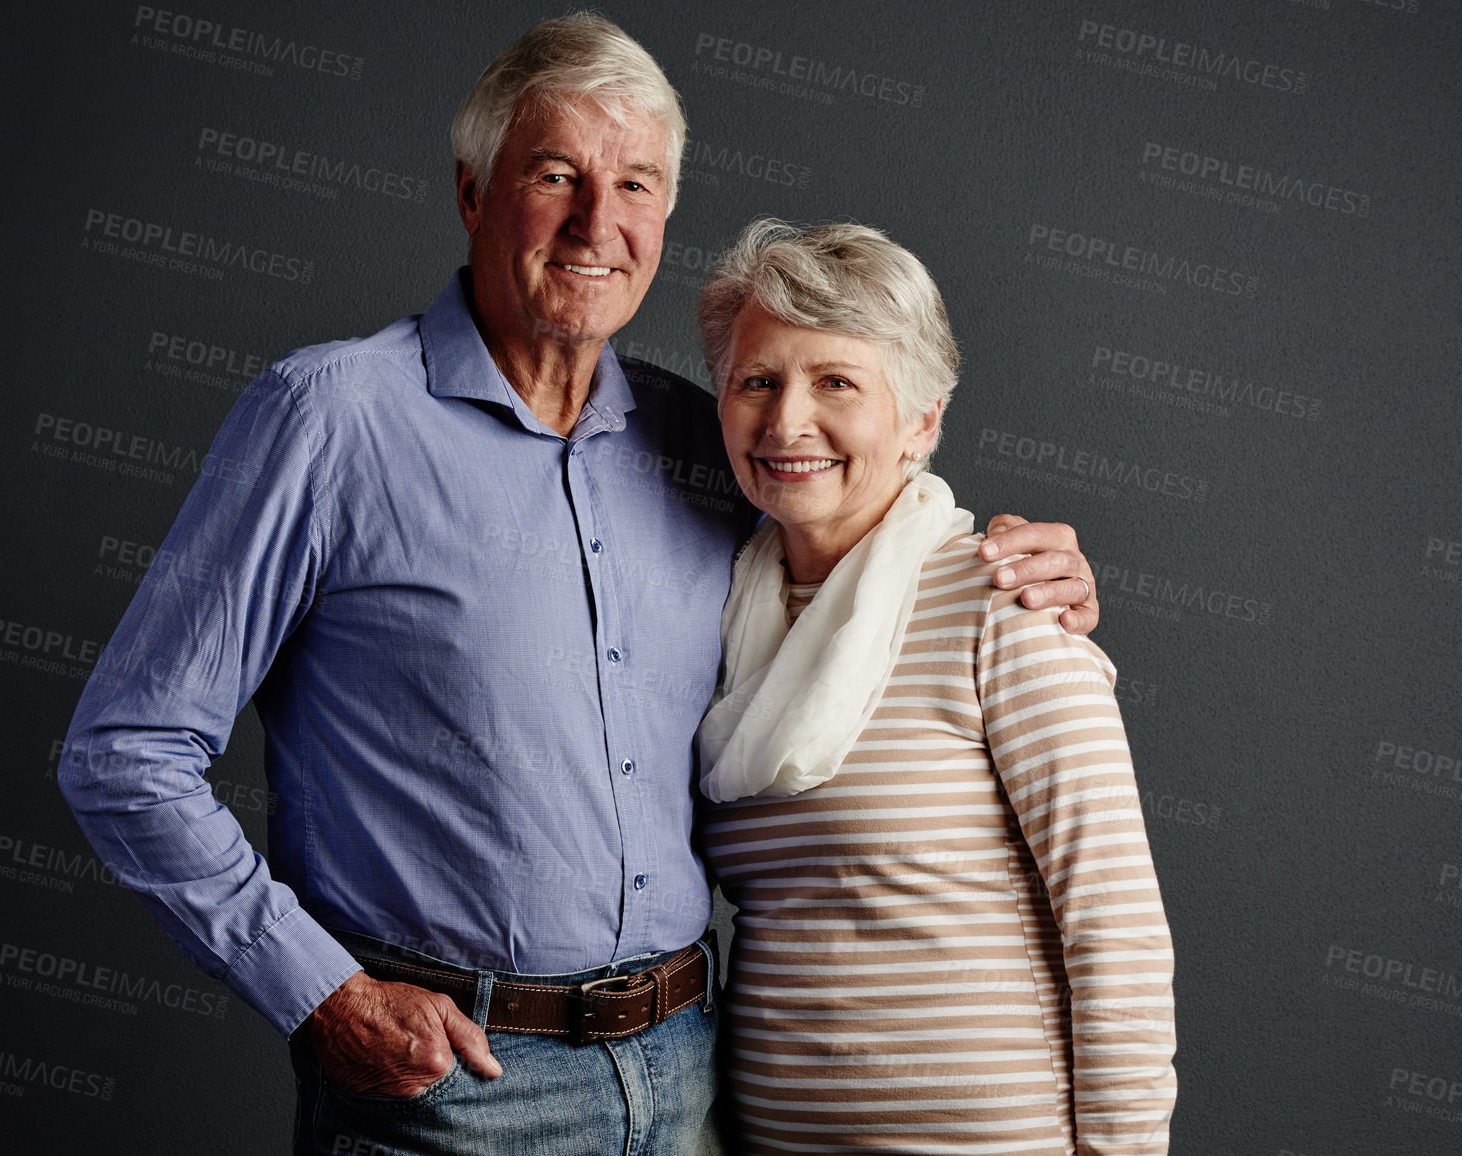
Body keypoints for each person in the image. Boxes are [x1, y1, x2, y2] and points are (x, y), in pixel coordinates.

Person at [56, 15, 1100, 1156]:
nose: (598, 223)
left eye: (637, 184)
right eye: (555, 175)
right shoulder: (330, 421)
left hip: (697, 1076)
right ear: (471, 192)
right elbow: (126, 751)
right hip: (455, 1090)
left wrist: (1007, 564)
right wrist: (323, 995)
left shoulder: (706, 442)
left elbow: (858, 541)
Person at [695, 219, 1176, 1154]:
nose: (786, 420)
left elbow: (1114, 929)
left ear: (922, 418)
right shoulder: (717, 611)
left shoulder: (1004, 603)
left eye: (836, 381)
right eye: (757, 380)